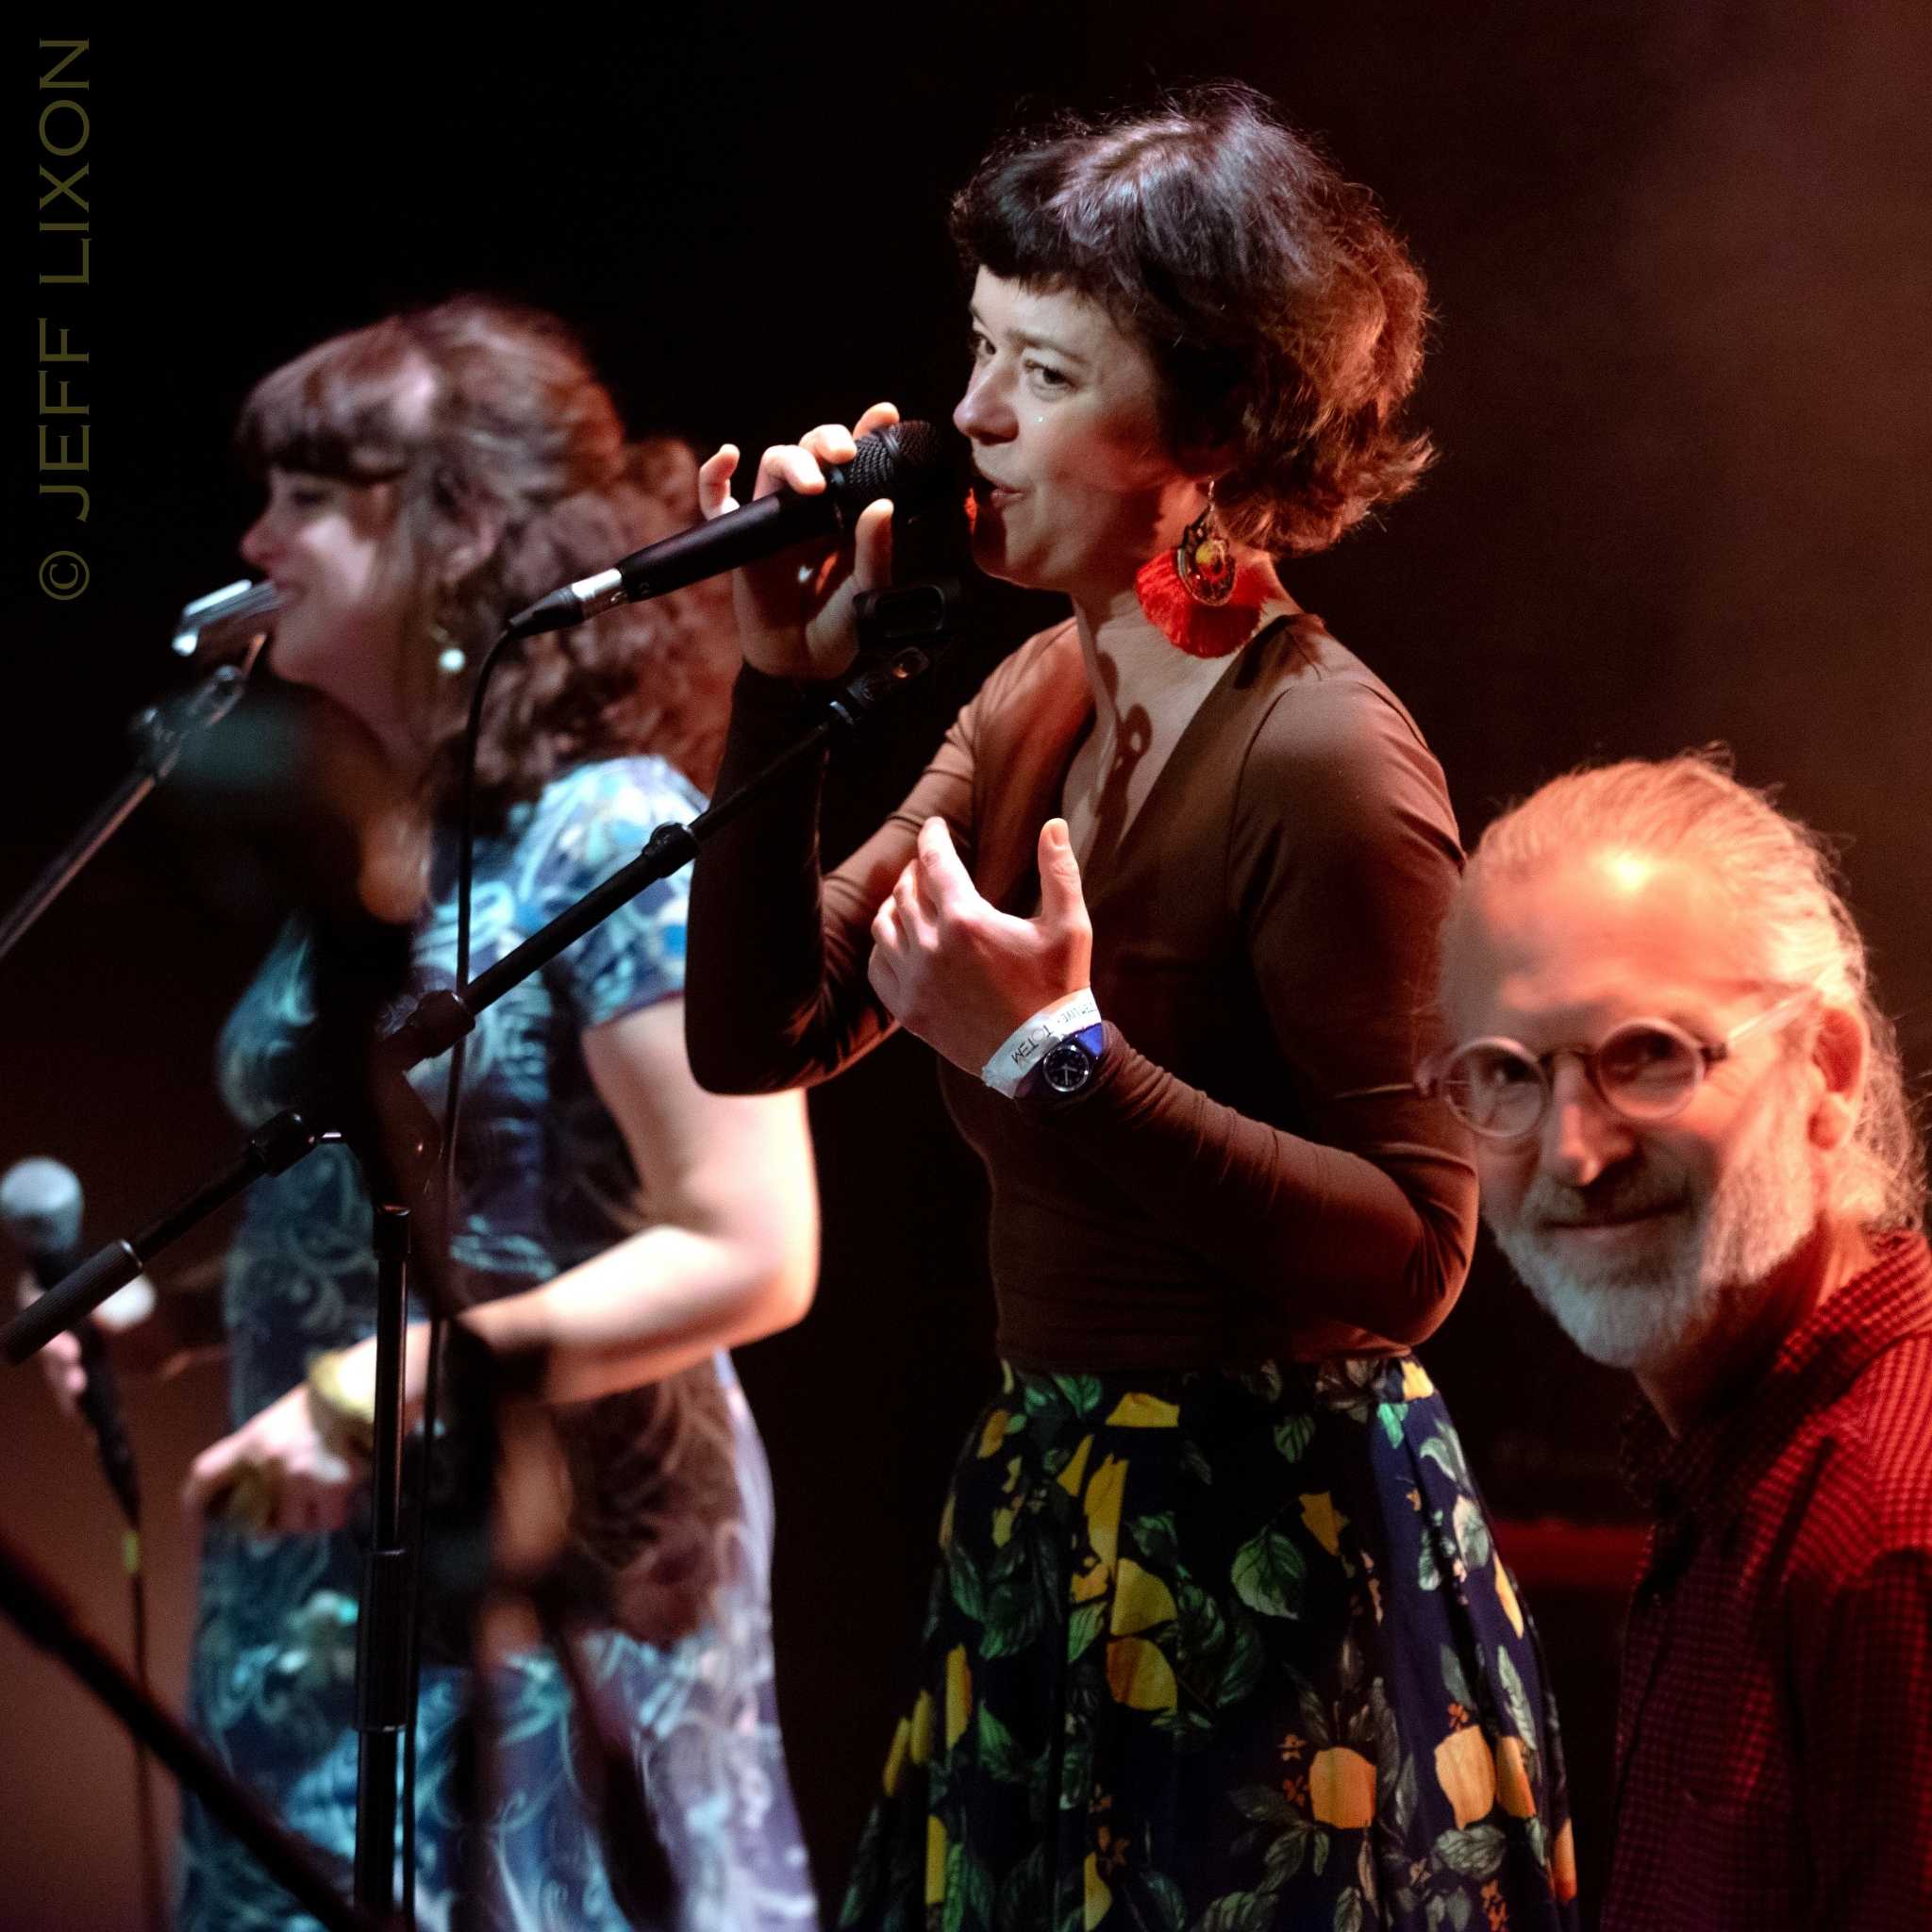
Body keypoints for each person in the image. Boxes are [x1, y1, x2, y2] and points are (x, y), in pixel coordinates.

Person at [687, 89, 1578, 1929]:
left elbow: (1418, 1248)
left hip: (1269, 1553)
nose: (972, 420)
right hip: (1059, 1518)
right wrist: (773, 690)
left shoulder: (1324, 759)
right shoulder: (1048, 682)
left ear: (1210, 437)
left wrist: (1057, 1060)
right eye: (978, 353)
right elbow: (758, 1035)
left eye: (1041, 369)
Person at [158, 297, 821, 1930]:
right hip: (323, 1587)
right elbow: (400, 1211)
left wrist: (385, 1386)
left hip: (547, 1592)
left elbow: (752, 1241)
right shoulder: (396, 848)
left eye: (310, 493)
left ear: (456, 521)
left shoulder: (609, 827)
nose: (256, 536)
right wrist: (155, 1311)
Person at [1430, 752, 1932, 1929]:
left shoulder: (1888, 1534)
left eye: (1647, 1053)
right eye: (1503, 1072)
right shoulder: (1740, 1460)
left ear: (1827, 1069)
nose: (1570, 1152)